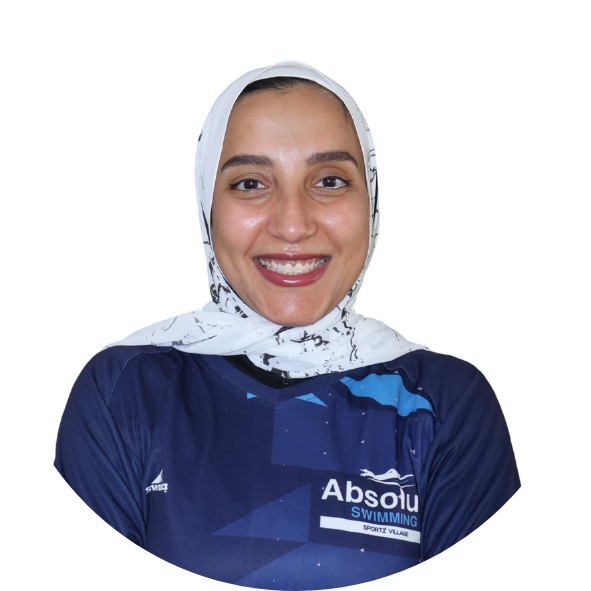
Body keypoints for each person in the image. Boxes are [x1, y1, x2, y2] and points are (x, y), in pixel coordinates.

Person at [54, 61, 520, 589]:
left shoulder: (445, 404)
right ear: (208, 205)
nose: (293, 224)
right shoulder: (126, 392)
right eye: (251, 183)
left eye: (329, 181)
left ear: (370, 199)